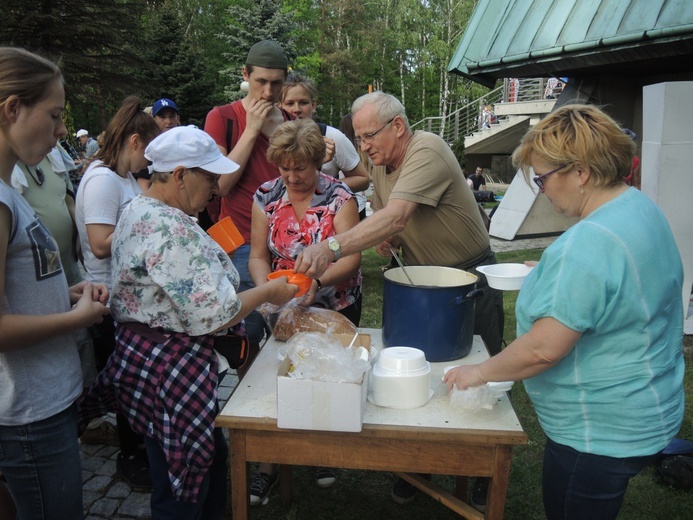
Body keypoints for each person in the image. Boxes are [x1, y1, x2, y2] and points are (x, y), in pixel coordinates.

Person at [444, 104, 685, 520]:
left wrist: (478, 373)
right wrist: (551, 274)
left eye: (543, 177)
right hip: (648, 407)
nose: (541, 189)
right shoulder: (638, 208)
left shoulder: (588, 245)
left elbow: (543, 349)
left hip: (599, 434)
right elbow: (621, 285)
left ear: (581, 172)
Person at [294, 91, 504, 507]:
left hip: (470, 277)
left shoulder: (427, 149)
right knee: (420, 372)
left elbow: (397, 214)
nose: (364, 146)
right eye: (358, 137)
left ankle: (483, 471)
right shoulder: (381, 166)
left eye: (369, 135)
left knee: (484, 375)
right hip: (420, 284)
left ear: (399, 127)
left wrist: (333, 247)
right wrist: (387, 238)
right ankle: (420, 465)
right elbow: (386, 218)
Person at [78, 125, 298, 520]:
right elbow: (213, 316)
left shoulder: (139, 208)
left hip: (148, 361)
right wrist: (268, 292)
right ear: (180, 175)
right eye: (210, 178)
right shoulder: (169, 226)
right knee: (181, 481)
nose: (216, 188)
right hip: (169, 371)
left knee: (201, 460)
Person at [0, 46, 109, 520]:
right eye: (55, 115)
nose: (63, 130)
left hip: (43, 404)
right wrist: (75, 318)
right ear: (11, 109)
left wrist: (61, 294)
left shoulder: (11, 191)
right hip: (28, 415)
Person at [247, 119, 363, 505]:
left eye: (302, 167)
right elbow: (259, 255)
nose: (293, 176)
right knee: (279, 382)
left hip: (335, 304)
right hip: (283, 306)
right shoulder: (266, 195)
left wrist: (317, 283)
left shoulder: (339, 196)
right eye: (285, 167)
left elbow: (352, 258)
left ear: (318, 163)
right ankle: (268, 464)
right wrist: (267, 291)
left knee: (327, 379)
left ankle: (321, 455)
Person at [75, 95, 161, 490]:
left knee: (137, 383)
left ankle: (140, 445)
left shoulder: (125, 179)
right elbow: (98, 242)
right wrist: (147, 229)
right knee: (126, 385)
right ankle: (130, 455)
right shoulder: (102, 179)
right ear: (134, 142)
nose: (150, 162)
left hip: (126, 299)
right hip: (107, 299)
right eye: (150, 150)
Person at [204, 40, 292, 347]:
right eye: (261, 82)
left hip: (285, 245)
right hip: (240, 243)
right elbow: (221, 185)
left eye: (276, 83)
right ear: (245, 75)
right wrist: (252, 129)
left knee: (287, 328)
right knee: (249, 337)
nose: (268, 93)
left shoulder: (292, 123)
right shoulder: (222, 117)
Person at [279, 73, 370, 196]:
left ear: (313, 105)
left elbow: (363, 179)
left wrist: (326, 187)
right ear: (280, 106)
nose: (297, 109)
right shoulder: (270, 139)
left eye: (303, 102)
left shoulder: (333, 137)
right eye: (290, 103)